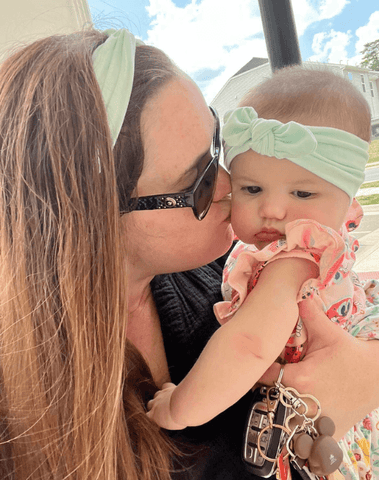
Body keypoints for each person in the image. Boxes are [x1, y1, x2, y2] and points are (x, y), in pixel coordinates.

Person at [0, 28, 378, 480]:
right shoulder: (18, 401)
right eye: (196, 181)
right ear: (92, 223)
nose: (228, 186)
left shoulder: (225, 267)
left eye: (218, 150)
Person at [147, 67, 379, 480]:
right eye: (252, 189)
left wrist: (181, 406)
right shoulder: (277, 250)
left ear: (346, 198)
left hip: (325, 437)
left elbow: (249, 344)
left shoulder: (295, 256)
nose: (272, 210)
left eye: (302, 193)